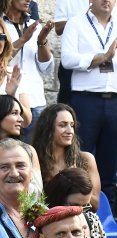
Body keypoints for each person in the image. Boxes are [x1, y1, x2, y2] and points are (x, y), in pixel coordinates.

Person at [61, 0, 117, 198]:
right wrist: (103, 57)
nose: (107, 1)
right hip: (85, 100)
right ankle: (76, 207)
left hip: (115, 101)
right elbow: (67, 60)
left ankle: (107, 214)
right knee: (79, 158)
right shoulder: (76, 23)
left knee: (109, 160)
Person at [42, 168, 115, 238]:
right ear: (58, 199)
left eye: (85, 206)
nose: (79, 212)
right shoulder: (45, 226)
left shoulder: (91, 219)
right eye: (74, 206)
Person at [31, 103, 102, 210]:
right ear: (48, 129)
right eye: (62, 125)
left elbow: (95, 205)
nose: (70, 131)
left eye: (72, 125)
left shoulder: (85, 159)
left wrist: (76, 181)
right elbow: (34, 202)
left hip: (82, 218)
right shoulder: (35, 160)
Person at [3, 0, 54, 139]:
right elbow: (2, 59)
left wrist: (41, 41)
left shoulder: (34, 25)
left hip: (35, 100)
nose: (28, 0)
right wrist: (23, 39)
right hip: (7, 101)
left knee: (34, 153)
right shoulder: (1, 25)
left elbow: (46, 68)